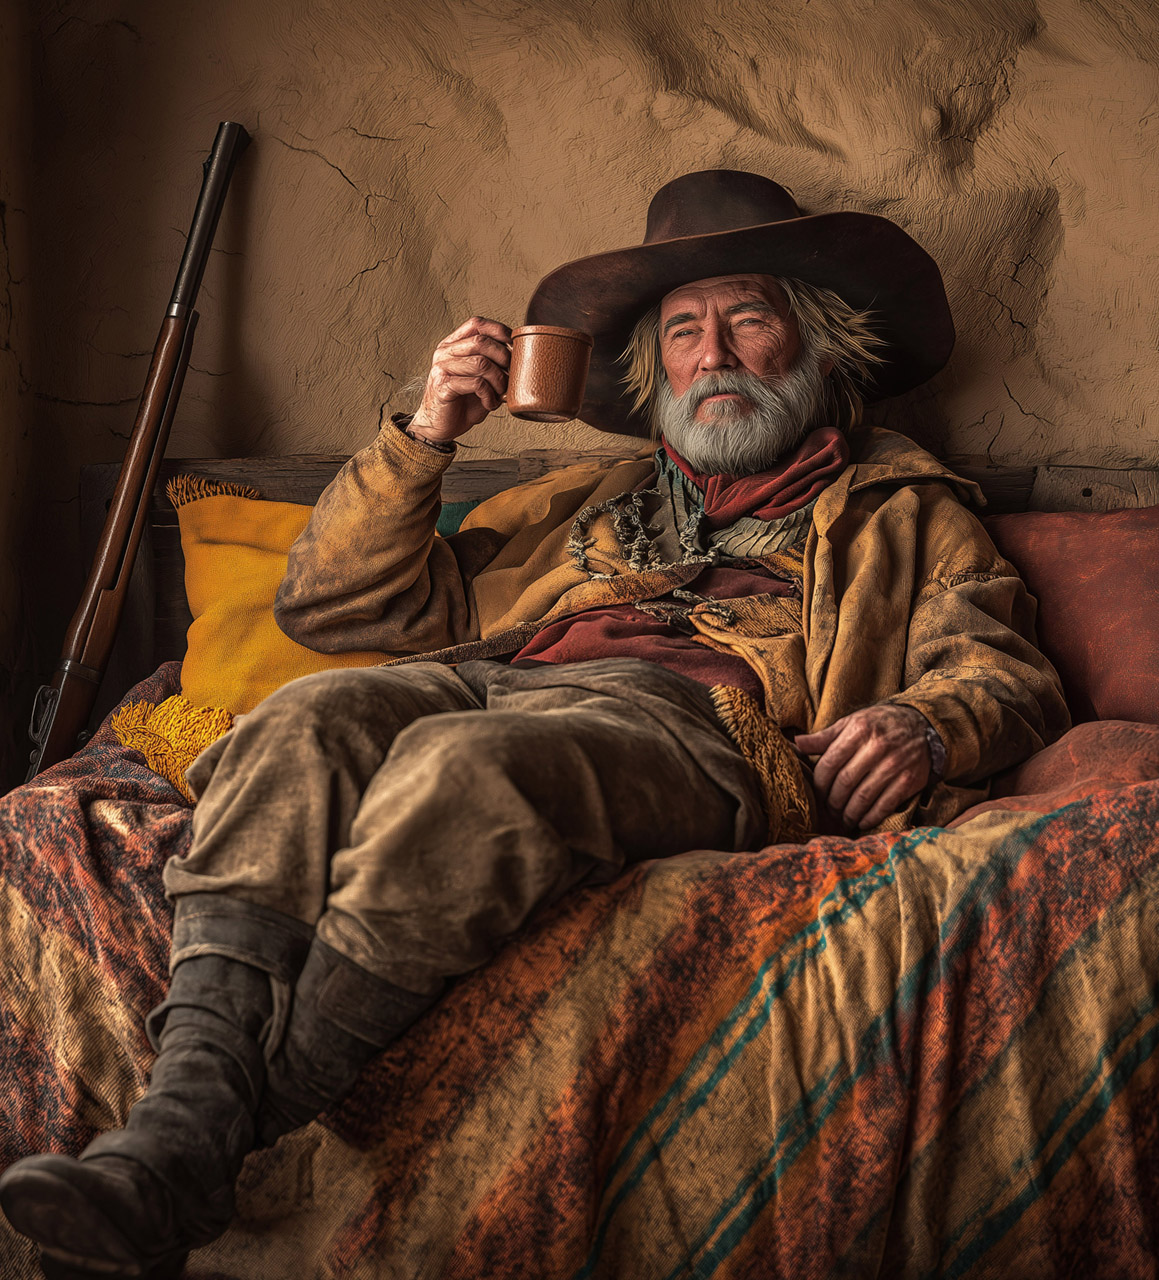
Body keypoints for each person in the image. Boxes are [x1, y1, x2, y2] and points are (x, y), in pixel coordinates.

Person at [0, 169, 1068, 1279]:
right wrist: (428, 431)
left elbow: (1003, 667)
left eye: (749, 319)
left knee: (461, 770)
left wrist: (924, 723)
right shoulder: (580, 505)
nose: (712, 354)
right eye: (684, 331)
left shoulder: (905, 507)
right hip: (497, 677)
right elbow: (329, 605)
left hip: (698, 723)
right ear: (655, 370)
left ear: (821, 348)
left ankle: (191, 1152)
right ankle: (178, 1130)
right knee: (307, 717)